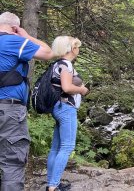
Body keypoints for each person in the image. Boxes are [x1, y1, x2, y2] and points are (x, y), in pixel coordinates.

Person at [0, 12, 53, 191]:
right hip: (9, 110)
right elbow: (48, 53)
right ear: (15, 27)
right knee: (12, 161)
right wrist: (26, 35)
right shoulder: (14, 41)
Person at [46, 36, 89, 191]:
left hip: (57, 107)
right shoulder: (66, 65)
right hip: (66, 108)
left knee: (56, 147)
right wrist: (82, 90)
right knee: (67, 147)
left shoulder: (56, 64)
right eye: (77, 46)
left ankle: (51, 183)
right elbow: (67, 87)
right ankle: (53, 186)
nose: (78, 49)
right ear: (71, 49)